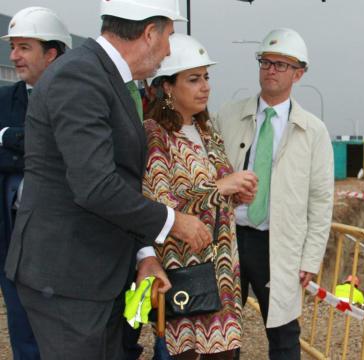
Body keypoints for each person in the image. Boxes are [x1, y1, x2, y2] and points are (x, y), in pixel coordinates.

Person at [4, 1, 214, 359]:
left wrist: (145, 254)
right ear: (150, 33)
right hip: (68, 280)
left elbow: (121, 178)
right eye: (169, 37)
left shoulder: (105, 76)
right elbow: (96, 187)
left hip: (97, 276)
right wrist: (173, 221)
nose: (167, 51)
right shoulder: (80, 77)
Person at [216, 28, 334, 360]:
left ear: (299, 73)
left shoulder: (313, 132)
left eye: (281, 65)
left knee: (283, 335)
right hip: (230, 240)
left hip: (278, 245)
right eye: (266, 62)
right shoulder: (227, 115)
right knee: (222, 333)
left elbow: (321, 200)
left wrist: (311, 258)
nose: (271, 70)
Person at [142, 33, 257, 360]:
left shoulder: (209, 132)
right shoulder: (156, 134)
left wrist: (239, 193)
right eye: (193, 79)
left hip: (223, 276)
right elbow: (158, 206)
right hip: (184, 277)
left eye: (206, 77)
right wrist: (221, 187)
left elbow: (221, 195)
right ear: (167, 86)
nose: (205, 86)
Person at [0, 7, 71, 359]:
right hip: (13, 241)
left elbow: (65, 153)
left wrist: (7, 138)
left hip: (65, 245)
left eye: (24, 47)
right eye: (13, 46)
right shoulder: (5, 99)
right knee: (24, 335)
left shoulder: (77, 99)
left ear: (52, 53)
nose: (13, 56)